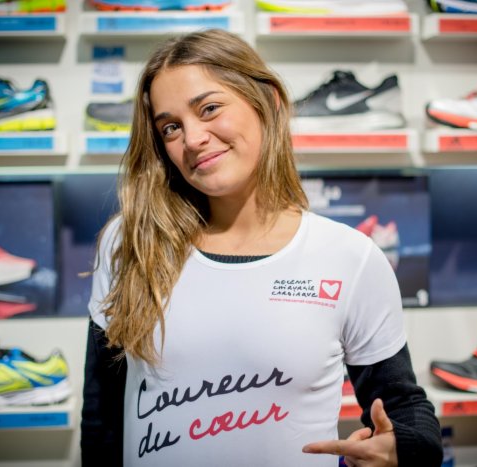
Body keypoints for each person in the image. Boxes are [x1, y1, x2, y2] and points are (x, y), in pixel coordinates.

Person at [80, 28, 442, 467]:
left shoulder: (349, 257)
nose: (192, 139)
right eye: (171, 127)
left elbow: (407, 410)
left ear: (267, 102)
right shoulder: (130, 242)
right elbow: (102, 418)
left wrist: (404, 449)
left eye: (209, 109)